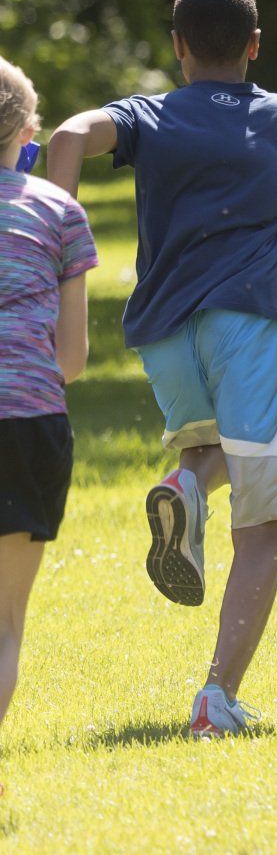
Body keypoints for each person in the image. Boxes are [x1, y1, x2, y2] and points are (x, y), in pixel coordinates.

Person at [46, 0, 277, 737]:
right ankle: (216, 697)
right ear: (254, 47)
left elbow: (64, 139)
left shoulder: (149, 115)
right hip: (251, 328)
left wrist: (56, 236)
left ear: (179, 48)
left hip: (162, 335)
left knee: (213, 452)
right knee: (263, 517)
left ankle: (184, 487)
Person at [0, 60, 94, 754]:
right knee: (5, 619)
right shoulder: (58, 212)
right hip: (30, 423)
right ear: (29, 132)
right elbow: (72, 358)